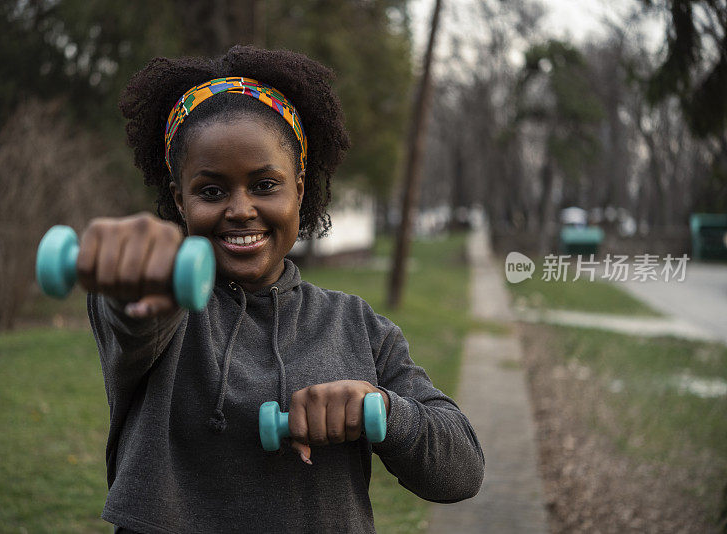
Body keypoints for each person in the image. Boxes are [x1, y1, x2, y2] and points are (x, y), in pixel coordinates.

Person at [82, 45, 484, 534]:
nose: (240, 209)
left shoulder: (356, 325)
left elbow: (463, 471)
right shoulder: (167, 305)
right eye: (211, 191)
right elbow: (133, 314)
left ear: (299, 185)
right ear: (179, 200)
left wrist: (378, 409)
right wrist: (135, 273)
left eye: (264, 185)